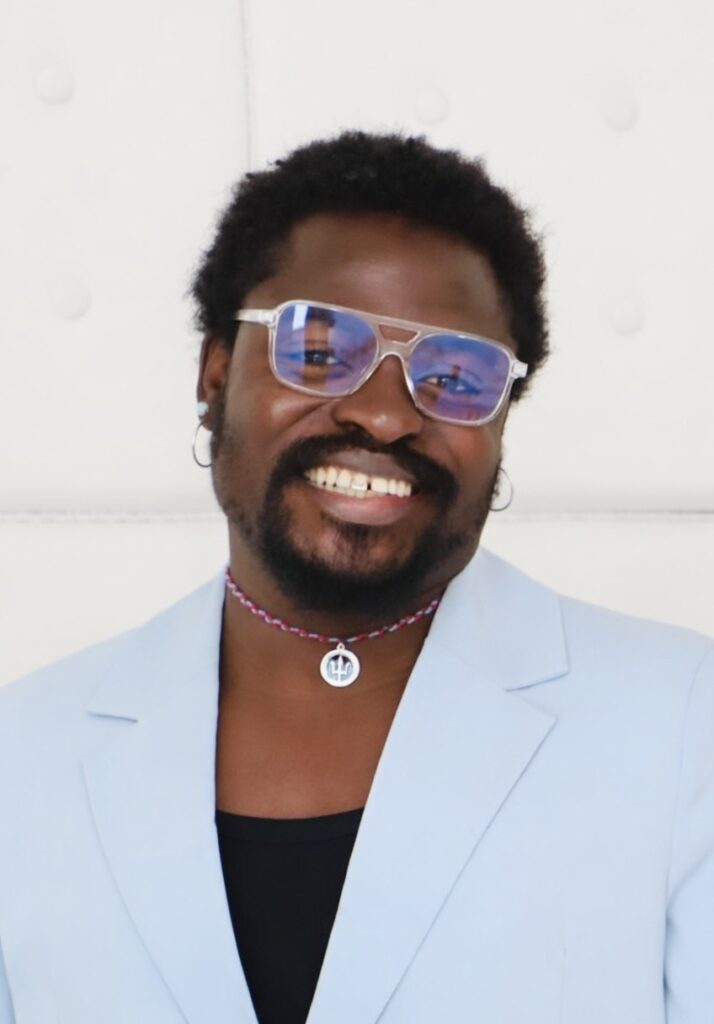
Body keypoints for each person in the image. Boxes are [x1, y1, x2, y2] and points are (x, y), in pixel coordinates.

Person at [0, 131, 712, 1024]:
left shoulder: (684, 724)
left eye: (455, 374)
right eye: (317, 348)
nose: (383, 415)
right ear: (215, 374)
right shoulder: (22, 757)